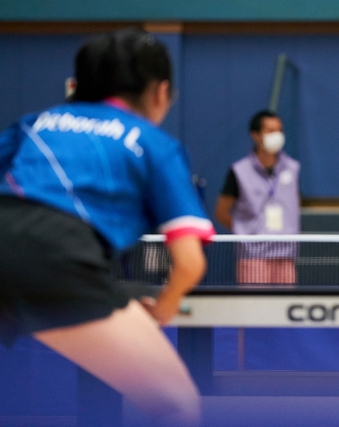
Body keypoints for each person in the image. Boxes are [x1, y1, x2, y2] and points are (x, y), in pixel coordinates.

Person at [0, 28, 215, 426]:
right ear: (160, 92)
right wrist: (162, 309)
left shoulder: (36, 122)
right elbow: (189, 264)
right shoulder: (155, 144)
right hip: (58, 259)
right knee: (177, 404)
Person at [215, 110, 300, 285]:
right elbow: (221, 211)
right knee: (255, 311)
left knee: (282, 310)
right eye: (270, 131)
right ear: (255, 135)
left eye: (279, 130)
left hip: (285, 255)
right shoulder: (239, 171)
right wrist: (246, 232)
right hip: (253, 257)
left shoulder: (292, 168)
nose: (276, 136)